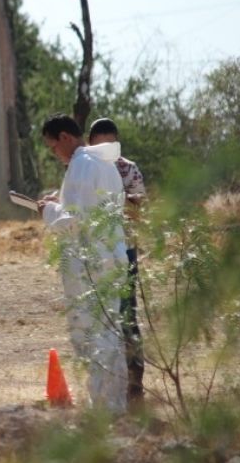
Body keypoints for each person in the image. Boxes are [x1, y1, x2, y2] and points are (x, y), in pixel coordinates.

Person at [37, 114, 129, 414]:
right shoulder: (101, 163)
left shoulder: (81, 164)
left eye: (53, 147)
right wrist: (58, 203)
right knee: (109, 331)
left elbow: (74, 222)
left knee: (91, 334)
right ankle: (112, 404)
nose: (55, 154)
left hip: (91, 263)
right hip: (109, 258)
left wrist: (49, 210)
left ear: (65, 137)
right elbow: (87, 210)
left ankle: (102, 408)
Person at [88, 117, 146, 406]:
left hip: (123, 250)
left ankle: (135, 385)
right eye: (100, 146)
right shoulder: (83, 168)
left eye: (110, 144)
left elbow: (137, 210)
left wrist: (114, 193)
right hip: (93, 251)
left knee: (126, 316)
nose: (106, 150)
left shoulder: (128, 169)